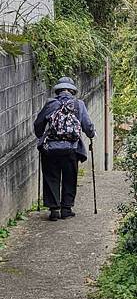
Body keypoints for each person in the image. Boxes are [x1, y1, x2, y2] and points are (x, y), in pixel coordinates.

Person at [34, 77, 95, 221]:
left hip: (50, 149)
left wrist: (40, 135)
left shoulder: (50, 104)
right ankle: (66, 209)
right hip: (71, 148)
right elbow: (87, 126)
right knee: (70, 177)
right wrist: (91, 134)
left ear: (58, 91)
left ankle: (54, 209)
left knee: (51, 177)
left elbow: (38, 123)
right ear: (72, 91)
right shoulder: (78, 105)